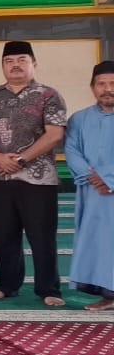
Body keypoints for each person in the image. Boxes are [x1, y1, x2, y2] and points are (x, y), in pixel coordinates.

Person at [0, 40, 67, 306]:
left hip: (39, 179)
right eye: (9, 61)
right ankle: (7, 285)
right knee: (4, 236)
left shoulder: (49, 94)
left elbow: (55, 134)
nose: (15, 65)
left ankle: (49, 289)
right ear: (2, 66)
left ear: (33, 64)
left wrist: (22, 158)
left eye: (21, 60)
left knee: (42, 237)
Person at [65, 60, 114, 311]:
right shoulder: (79, 119)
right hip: (93, 192)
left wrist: (108, 177)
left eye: (113, 83)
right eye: (101, 84)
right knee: (99, 244)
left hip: (108, 188)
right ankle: (109, 294)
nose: (108, 89)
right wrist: (91, 176)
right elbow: (71, 150)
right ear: (93, 87)